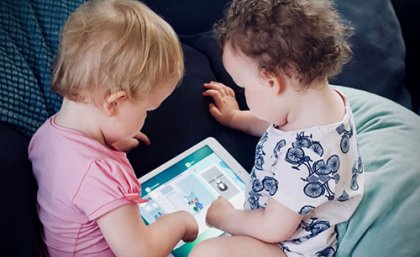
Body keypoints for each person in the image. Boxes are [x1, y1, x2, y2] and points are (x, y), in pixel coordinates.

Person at [189, 0, 364, 256]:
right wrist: (235, 117)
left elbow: (273, 229)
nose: (243, 92)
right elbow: (278, 126)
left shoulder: (310, 159)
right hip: (276, 225)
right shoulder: (313, 104)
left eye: (243, 86)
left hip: (290, 248)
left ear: (272, 81)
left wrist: (225, 218)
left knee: (204, 253)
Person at [28, 0, 198, 256]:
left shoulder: (47, 134)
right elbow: (142, 252)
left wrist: (112, 139)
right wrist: (182, 221)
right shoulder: (103, 174)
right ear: (114, 103)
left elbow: (75, 182)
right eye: (148, 109)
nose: (148, 116)